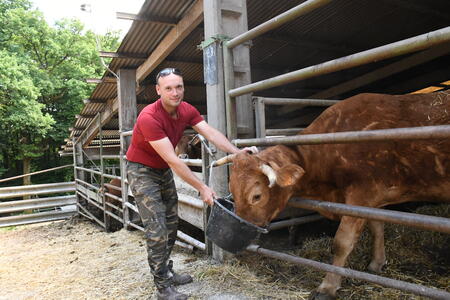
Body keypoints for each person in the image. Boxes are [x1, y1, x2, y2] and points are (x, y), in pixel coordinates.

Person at [126, 67, 257, 300]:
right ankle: (163, 286)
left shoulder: (186, 110)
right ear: (158, 91)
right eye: (169, 88)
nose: (175, 93)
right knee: (157, 227)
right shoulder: (149, 118)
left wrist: (237, 153)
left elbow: (210, 133)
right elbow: (174, 160)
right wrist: (202, 188)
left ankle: (166, 269)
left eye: (179, 87)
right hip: (142, 171)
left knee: (171, 221)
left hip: (162, 170)